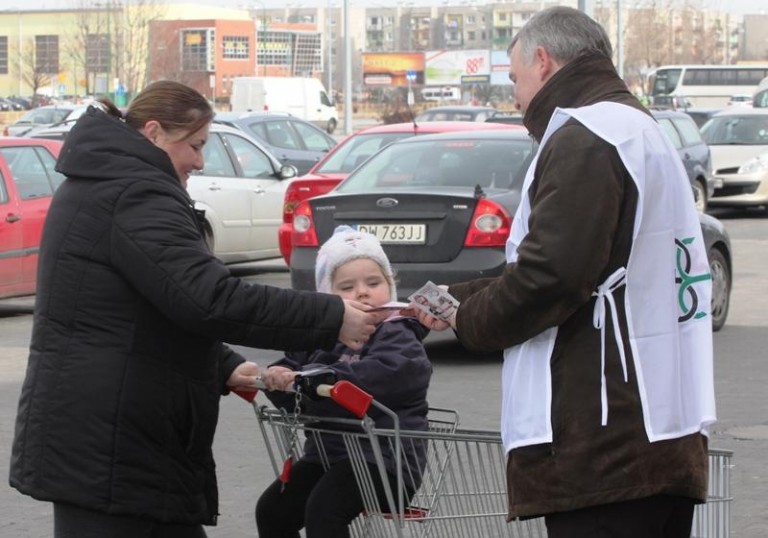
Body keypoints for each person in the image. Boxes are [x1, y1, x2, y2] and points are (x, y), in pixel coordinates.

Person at [9, 81, 388, 538]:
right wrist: (330, 315)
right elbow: (208, 298)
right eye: (195, 145)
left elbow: (141, 309)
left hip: (109, 437)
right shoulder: (136, 194)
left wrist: (222, 364)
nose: (201, 160)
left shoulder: (106, 183)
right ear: (153, 133)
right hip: (116, 444)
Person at [407, 7, 715, 538]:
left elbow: (553, 275)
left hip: (604, 444)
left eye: (514, 78)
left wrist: (471, 321)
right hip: (656, 428)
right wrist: (457, 296)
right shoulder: (636, 125)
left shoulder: (587, 134)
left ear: (544, 62)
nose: (515, 96)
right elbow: (589, 262)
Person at [256, 225, 432, 538]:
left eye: (374, 282)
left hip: (385, 461)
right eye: (347, 287)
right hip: (328, 455)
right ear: (327, 299)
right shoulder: (323, 338)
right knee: (273, 510)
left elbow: (389, 375)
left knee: (324, 511)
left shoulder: (397, 334)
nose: (363, 292)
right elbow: (295, 371)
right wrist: (279, 379)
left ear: (390, 287)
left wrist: (323, 379)